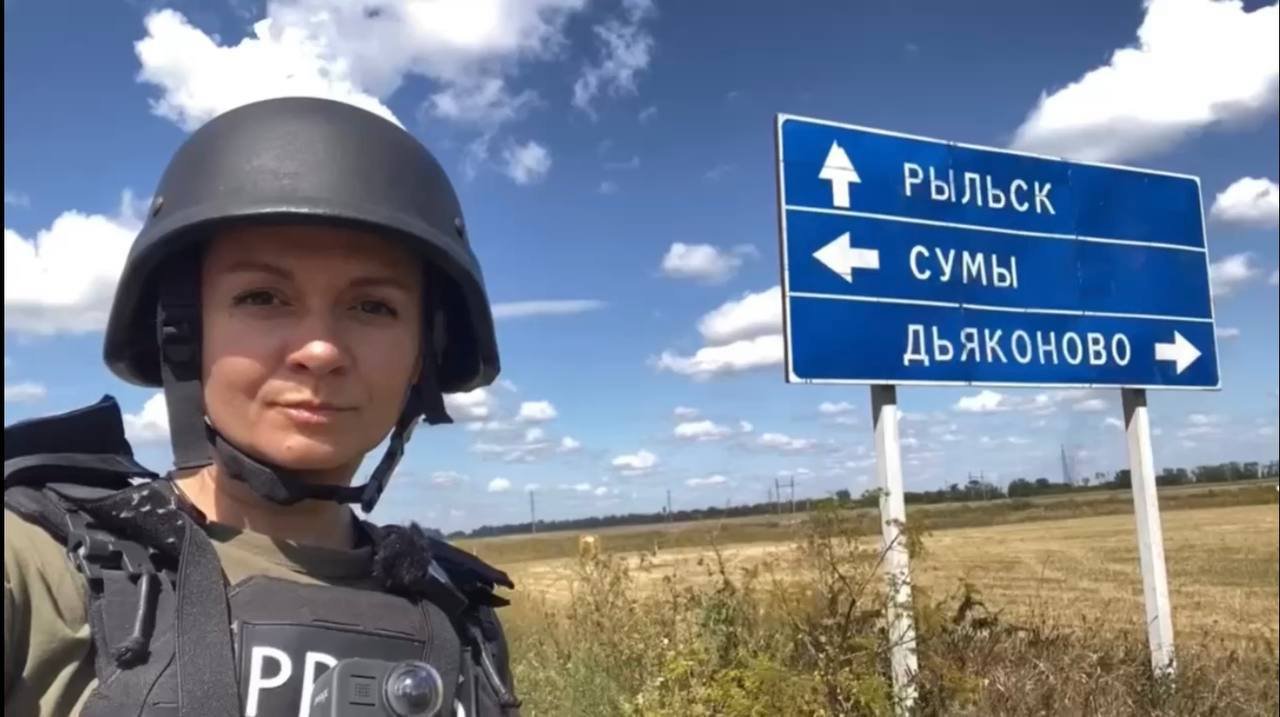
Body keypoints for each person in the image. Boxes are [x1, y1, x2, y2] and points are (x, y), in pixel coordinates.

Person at [4, 97, 522, 716]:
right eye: (262, 297)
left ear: (421, 359)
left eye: (373, 306)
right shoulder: (35, 566)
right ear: (183, 335)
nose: (320, 351)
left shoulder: (459, 615)